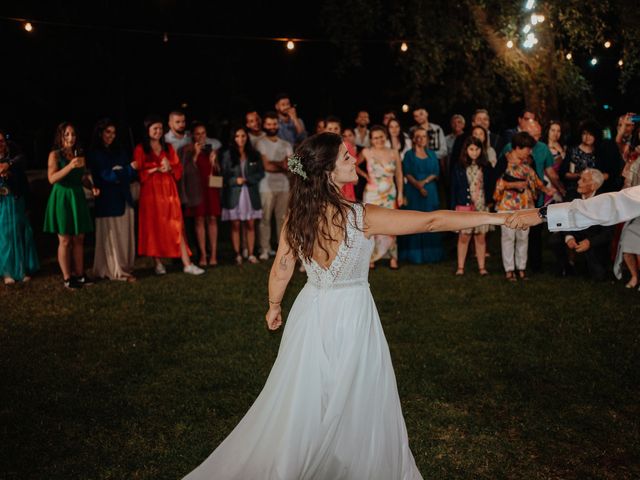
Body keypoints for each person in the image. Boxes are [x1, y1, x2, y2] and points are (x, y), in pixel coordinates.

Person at [182, 132, 508, 480]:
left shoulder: (298, 216)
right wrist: (495, 218)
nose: (355, 160)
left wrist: (274, 305)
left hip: (311, 311)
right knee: (356, 396)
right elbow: (431, 221)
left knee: (307, 395)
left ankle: (309, 460)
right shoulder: (360, 216)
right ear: (327, 172)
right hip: (352, 316)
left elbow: (282, 265)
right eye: (347, 157)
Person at [133, 115, 204, 276]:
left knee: (177, 225)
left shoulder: (168, 147)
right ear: (147, 131)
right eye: (154, 129)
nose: (158, 132)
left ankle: (187, 263)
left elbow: (178, 169)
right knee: (153, 226)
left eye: (160, 128)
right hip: (151, 193)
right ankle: (158, 263)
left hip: (169, 191)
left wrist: (170, 168)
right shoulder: (140, 149)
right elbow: (139, 171)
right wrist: (155, 169)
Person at [494, 132, 555, 281]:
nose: (530, 152)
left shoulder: (528, 162)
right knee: (508, 237)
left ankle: (521, 268)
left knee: (523, 237)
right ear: (517, 147)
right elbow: (496, 182)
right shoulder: (504, 161)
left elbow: (535, 179)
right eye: (527, 149)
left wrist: (546, 189)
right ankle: (509, 270)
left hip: (525, 204)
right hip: (507, 205)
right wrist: (513, 184)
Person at [43, 122, 96, 289]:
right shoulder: (55, 155)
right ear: (61, 136)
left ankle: (80, 275)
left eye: (73, 134)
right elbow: (52, 179)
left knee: (79, 237)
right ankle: (68, 278)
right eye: (67, 134)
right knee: (65, 239)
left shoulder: (78, 154)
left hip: (77, 196)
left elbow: (81, 177)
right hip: (62, 197)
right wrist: (70, 166)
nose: (71, 138)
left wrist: (91, 186)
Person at [88, 119, 137, 282]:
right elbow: (106, 176)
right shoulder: (95, 153)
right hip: (108, 200)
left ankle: (124, 266)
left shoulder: (120, 151)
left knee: (124, 234)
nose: (111, 136)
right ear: (100, 133)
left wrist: (123, 172)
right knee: (111, 235)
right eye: (108, 132)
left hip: (124, 197)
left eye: (113, 132)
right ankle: (113, 269)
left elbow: (130, 176)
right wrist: (127, 169)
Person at [398, 127, 443, 264]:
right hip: (413, 190)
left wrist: (424, 182)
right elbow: (407, 172)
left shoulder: (432, 154)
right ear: (414, 138)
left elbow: (436, 172)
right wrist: (418, 185)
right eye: (418, 136)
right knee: (415, 221)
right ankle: (414, 255)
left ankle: (432, 255)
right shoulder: (409, 155)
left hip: (430, 190)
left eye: (424, 136)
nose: (421, 139)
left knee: (431, 220)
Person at [361, 125, 404, 269]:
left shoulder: (394, 152)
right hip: (372, 193)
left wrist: (400, 193)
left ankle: (393, 257)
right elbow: (352, 163)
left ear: (385, 136)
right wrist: (365, 175)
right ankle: (371, 257)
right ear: (371, 139)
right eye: (375, 138)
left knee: (392, 224)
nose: (378, 140)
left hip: (390, 194)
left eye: (381, 136)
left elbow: (399, 174)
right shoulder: (366, 152)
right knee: (371, 224)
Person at [221, 126, 265, 265]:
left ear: (247, 137)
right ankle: (237, 254)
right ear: (233, 138)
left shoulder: (254, 154)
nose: (240, 139)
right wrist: (235, 180)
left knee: (251, 223)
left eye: (243, 136)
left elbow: (260, 173)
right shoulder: (228, 155)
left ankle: (251, 254)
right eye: (237, 136)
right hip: (235, 194)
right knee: (235, 224)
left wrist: (249, 179)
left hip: (250, 193)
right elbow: (224, 176)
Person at [0, 130, 39, 284]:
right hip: (2, 203)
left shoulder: (13, 155)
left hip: (15, 199)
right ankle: (7, 271)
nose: (0, 144)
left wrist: (8, 168)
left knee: (20, 233)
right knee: (5, 236)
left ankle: (21, 269)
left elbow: (22, 160)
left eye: (2, 140)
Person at [451, 136, 494, 275]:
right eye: (471, 149)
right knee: (464, 236)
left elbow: (490, 185)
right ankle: (460, 267)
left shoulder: (486, 166)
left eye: (477, 149)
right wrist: (454, 205)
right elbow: (454, 187)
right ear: (466, 150)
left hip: (481, 205)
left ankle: (482, 267)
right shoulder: (459, 166)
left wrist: (490, 201)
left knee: (480, 237)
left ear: (481, 150)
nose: (474, 152)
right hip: (465, 205)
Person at [182, 122, 222, 266]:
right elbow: (185, 171)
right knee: (199, 220)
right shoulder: (187, 150)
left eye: (203, 133)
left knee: (212, 219)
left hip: (211, 188)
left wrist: (213, 161)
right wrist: (196, 154)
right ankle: (203, 255)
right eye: (197, 133)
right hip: (196, 190)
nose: (201, 136)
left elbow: (218, 171)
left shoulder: (212, 150)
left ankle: (214, 255)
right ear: (193, 135)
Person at [256, 111, 293, 260]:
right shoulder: (260, 143)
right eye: (269, 124)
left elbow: (292, 165)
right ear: (264, 125)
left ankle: (281, 248)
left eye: (274, 124)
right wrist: (282, 164)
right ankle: (264, 249)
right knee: (265, 218)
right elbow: (266, 165)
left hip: (284, 186)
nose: (272, 127)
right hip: (266, 186)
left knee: (283, 219)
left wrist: (278, 164)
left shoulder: (286, 144)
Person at [613, 128, 640, 288]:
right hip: (635, 207)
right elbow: (627, 182)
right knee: (628, 241)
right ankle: (635, 276)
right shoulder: (634, 156)